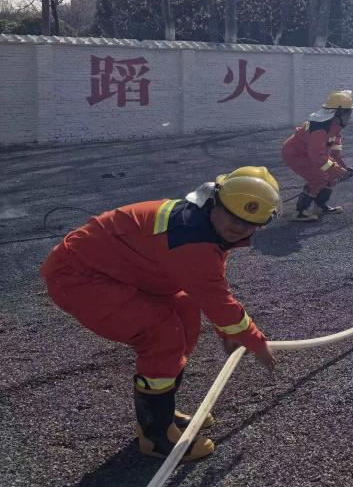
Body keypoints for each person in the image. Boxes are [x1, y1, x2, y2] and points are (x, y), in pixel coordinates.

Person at [40, 167, 280, 462]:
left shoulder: (203, 223)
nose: (238, 227)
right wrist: (254, 342)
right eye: (232, 216)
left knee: (185, 312)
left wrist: (228, 331)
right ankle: (156, 437)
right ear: (215, 202)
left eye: (249, 223)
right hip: (80, 278)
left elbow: (206, 290)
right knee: (163, 335)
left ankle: (162, 413)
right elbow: (218, 300)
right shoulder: (193, 240)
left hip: (121, 272)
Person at [282, 90, 353, 221]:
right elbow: (317, 158)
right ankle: (300, 212)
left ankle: (320, 207)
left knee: (331, 175)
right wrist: (337, 170)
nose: (349, 117)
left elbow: (335, 151)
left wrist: (343, 167)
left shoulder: (335, 125)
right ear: (336, 113)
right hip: (295, 154)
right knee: (319, 177)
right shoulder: (319, 129)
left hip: (312, 153)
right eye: (347, 113)